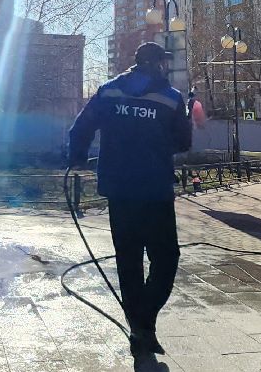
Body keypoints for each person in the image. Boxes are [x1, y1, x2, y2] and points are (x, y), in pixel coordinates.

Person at [68, 42, 192, 355]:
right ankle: (144, 321)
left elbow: (81, 127)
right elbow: (183, 142)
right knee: (166, 258)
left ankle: (140, 325)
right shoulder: (171, 98)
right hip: (155, 191)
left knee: (129, 260)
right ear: (158, 64)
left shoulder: (109, 91)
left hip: (119, 190)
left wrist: (78, 156)